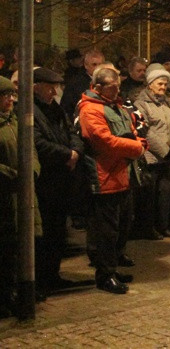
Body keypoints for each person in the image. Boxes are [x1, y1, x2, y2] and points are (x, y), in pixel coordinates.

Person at [79, 67, 147, 294]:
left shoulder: (115, 106)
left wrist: (136, 141)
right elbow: (104, 142)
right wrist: (136, 147)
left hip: (122, 174)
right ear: (97, 88)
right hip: (105, 176)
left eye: (118, 86)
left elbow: (130, 131)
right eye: (113, 87)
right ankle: (105, 275)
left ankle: (112, 268)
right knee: (106, 231)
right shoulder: (91, 110)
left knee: (122, 225)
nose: (118, 90)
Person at [32, 68, 89, 296]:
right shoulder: (30, 111)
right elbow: (38, 142)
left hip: (62, 179)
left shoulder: (55, 109)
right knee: (45, 233)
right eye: (49, 87)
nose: (53, 92)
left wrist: (75, 151)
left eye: (55, 87)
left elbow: (73, 132)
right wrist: (67, 155)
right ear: (36, 86)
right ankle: (40, 279)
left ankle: (53, 276)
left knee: (57, 231)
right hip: (46, 180)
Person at [1, 76, 43, 314]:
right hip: (6, 195)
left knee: (25, 243)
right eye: (5, 96)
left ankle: (23, 288)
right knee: (7, 248)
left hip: (24, 193)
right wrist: (12, 174)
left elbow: (31, 150)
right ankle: (7, 295)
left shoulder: (16, 122)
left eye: (11, 95)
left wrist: (32, 171)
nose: (10, 100)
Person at [133, 67, 170, 239]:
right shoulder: (141, 104)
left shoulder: (166, 102)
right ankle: (148, 227)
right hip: (151, 157)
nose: (163, 87)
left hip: (168, 156)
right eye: (160, 84)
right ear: (150, 84)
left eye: (165, 83)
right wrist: (164, 150)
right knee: (150, 195)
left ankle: (163, 225)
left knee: (166, 192)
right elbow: (145, 131)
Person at [61, 49, 105, 119]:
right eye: (94, 64)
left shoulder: (108, 82)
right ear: (86, 65)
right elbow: (66, 107)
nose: (98, 68)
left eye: (100, 65)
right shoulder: (75, 84)